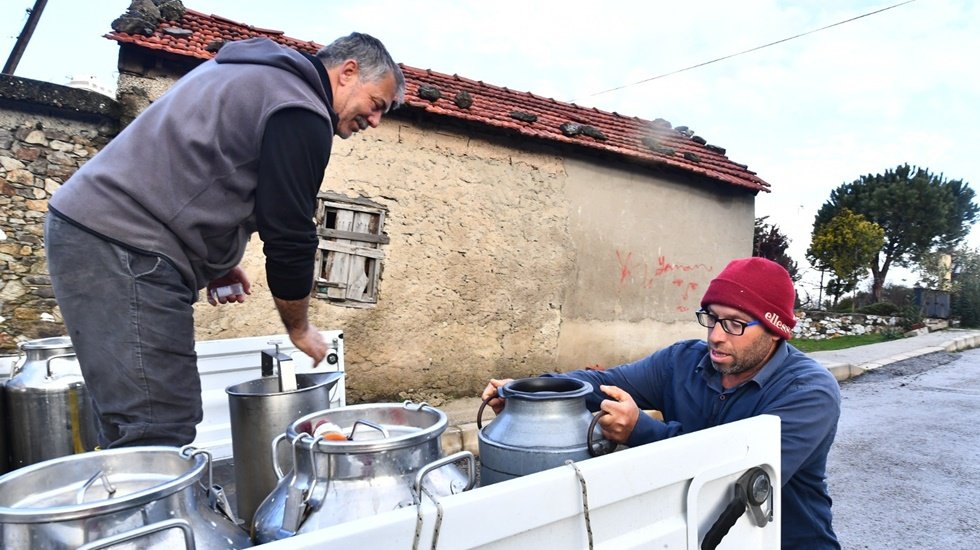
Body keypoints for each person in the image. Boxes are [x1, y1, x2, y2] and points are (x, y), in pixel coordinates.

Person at [45, 32, 405, 449]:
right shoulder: (301, 109)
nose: (375, 121)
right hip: (125, 243)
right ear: (348, 72)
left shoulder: (248, 74)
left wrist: (215, 256)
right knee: (157, 425)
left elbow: (194, 162)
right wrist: (300, 328)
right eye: (377, 104)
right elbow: (290, 234)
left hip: (100, 233)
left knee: (133, 418)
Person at [483, 257, 842, 549]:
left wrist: (641, 430)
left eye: (734, 324)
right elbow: (603, 383)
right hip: (690, 536)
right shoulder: (682, 361)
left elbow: (727, 480)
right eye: (711, 317)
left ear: (775, 330)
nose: (716, 336)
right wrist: (528, 392)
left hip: (782, 542)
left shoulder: (808, 392)